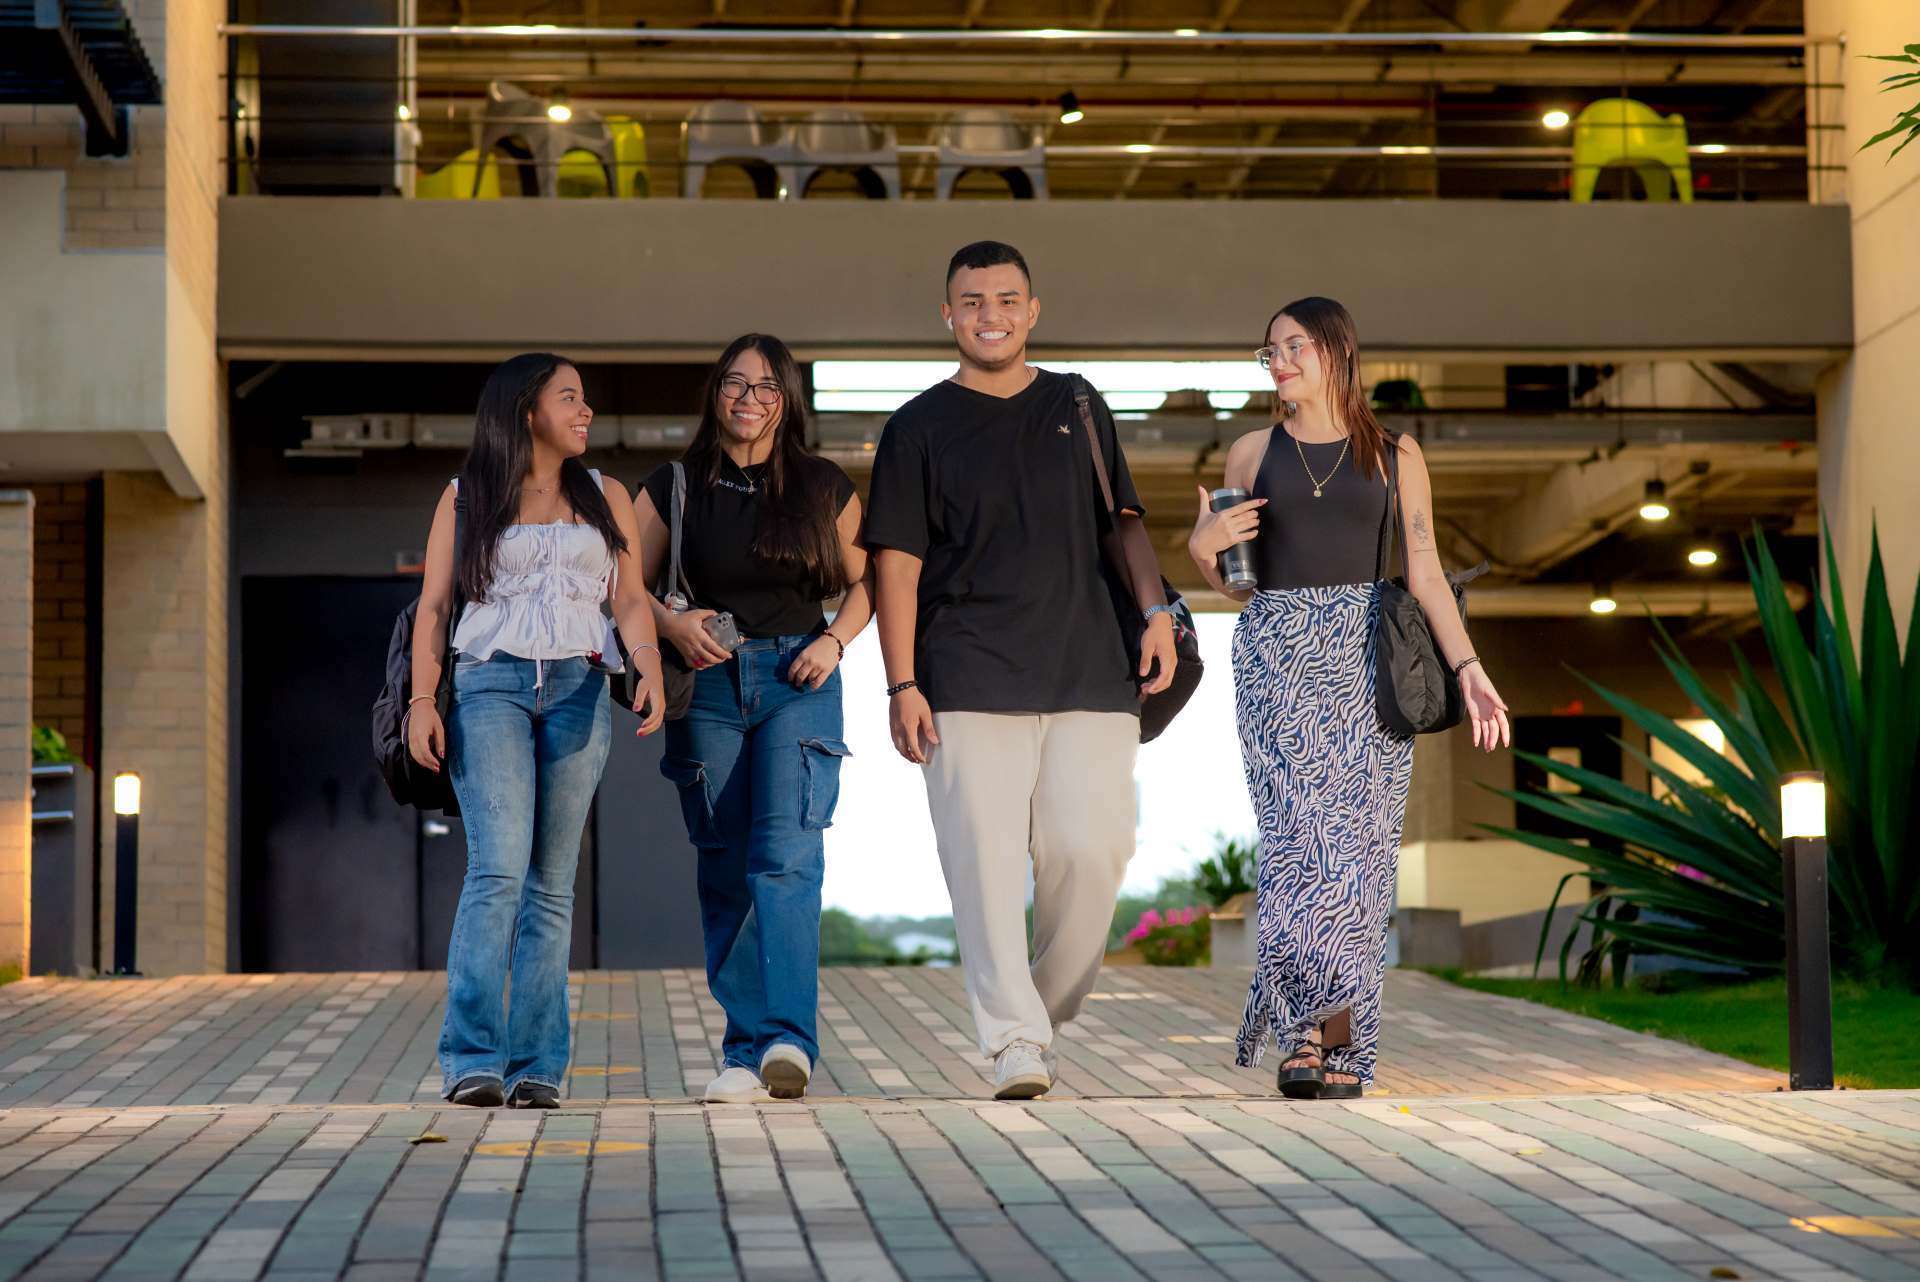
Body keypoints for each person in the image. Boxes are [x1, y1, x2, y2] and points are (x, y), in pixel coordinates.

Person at [865, 241, 1177, 1101]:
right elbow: (895, 565)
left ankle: (1034, 1012)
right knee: (986, 867)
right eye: (972, 301)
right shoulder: (917, 427)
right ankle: (1012, 1041)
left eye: (1007, 299)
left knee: (1094, 847)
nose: (990, 314)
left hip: (1089, 666)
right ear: (948, 315)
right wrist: (902, 683)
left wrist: (1155, 613)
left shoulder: (1078, 403)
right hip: (967, 674)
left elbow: (1123, 521)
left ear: (1032, 311)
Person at [1187, 297, 1510, 1102]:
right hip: (1276, 653)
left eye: (1295, 345)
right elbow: (1236, 585)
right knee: (1299, 845)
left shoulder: (1397, 455)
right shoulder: (1251, 452)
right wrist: (1201, 551)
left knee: (1357, 856)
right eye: (1270, 351)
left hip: (1366, 657)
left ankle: (1340, 1044)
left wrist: (1468, 667)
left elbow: (1427, 574)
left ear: (1337, 350)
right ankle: (1309, 1032)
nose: (1280, 360)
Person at [409, 352, 666, 1109]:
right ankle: (471, 1059)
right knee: (497, 873)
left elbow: (628, 601)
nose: (586, 412)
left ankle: (538, 1067)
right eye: (570, 399)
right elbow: (433, 608)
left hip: (581, 686)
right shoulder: (465, 497)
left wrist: (646, 663)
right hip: (490, 685)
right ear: (527, 411)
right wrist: (424, 700)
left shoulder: (607, 495)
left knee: (551, 886)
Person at [634, 334, 872, 1105]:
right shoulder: (674, 484)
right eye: (735, 383)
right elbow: (620, 586)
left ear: (787, 400)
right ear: (716, 394)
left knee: (787, 859)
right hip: (706, 685)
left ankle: (789, 1043)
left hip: (797, 678)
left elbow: (876, 583)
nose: (748, 398)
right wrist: (671, 629)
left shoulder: (822, 485)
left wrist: (835, 641)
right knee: (726, 865)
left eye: (766, 387)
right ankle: (741, 1054)